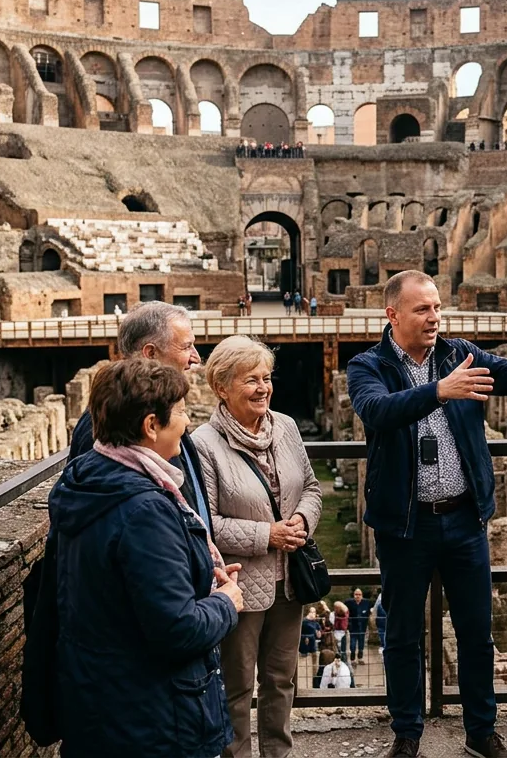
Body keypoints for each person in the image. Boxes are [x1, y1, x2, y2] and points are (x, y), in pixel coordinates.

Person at [348, 270, 507, 758]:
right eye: (422, 309)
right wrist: (438, 392)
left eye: (437, 307)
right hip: (405, 524)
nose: (434, 317)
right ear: (392, 314)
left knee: (476, 632)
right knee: (403, 634)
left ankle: (481, 732)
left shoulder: (457, 351)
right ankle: (407, 735)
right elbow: (376, 411)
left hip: (464, 520)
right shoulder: (369, 365)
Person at [47, 358, 244, 758]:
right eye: (183, 412)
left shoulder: (90, 479)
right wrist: (226, 603)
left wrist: (197, 573)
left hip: (103, 701)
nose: (188, 424)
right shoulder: (144, 510)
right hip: (152, 719)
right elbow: (177, 629)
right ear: (151, 426)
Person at [193, 335, 324, 758]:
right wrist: (268, 535)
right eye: (251, 380)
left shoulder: (284, 427)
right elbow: (205, 523)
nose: (263, 388)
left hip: (290, 581)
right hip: (240, 586)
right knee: (236, 686)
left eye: (266, 378)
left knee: (282, 680)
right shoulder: (203, 445)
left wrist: (302, 520)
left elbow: (311, 487)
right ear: (222, 387)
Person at [69, 302, 209, 528]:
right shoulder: (107, 421)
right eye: (186, 347)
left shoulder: (163, 407)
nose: (196, 358)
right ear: (151, 353)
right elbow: (105, 520)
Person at [344, 588, 375, 664]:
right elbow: (344, 611)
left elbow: (373, 610)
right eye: (356, 594)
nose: (357, 596)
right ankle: (352, 659)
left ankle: (360, 658)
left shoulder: (367, 602)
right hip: (353, 627)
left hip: (363, 627)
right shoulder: (349, 602)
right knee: (353, 644)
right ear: (354, 595)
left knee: (361, 644)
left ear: (362, 595)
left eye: (359, 594)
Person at [301, 606, 323, 674]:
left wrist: (318, 633)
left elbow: (319, 635)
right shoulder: (304, 621)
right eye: (312, 612)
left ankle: (314, 673)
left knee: (314, 659)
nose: (314, 614)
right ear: (308, 613)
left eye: (314, 612)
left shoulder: (315, 623)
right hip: (304, 646)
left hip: (313, 646)